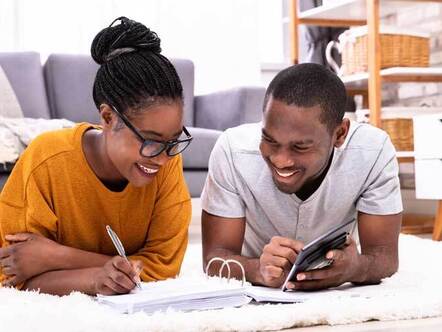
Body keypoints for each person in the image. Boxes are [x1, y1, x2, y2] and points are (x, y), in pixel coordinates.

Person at [0, 17, 192, 296]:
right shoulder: (47, 159)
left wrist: (59, 257)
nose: (162, 158)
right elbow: (12, 273)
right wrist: (96, 276)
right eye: (150, 140)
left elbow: (164, 270)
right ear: (108, 117)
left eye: (173, 141)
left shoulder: (166, 161)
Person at [202, 63, 402, 291]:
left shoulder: (373, 152)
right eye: (270, 140)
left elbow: (384, 257)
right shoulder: (232, 151)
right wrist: (256, 269)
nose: (281, 160)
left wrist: (355, 268)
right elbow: (214, 260)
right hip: (256, 264)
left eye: (300, 147)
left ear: (340, 134)